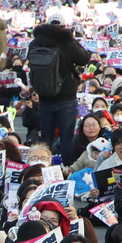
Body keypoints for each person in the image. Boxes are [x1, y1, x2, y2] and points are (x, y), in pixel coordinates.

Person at [29, 11, 91, 152]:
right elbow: (84, 58)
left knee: (46, 138)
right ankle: (66, 169)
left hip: (44, 95)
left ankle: (43, 167)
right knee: (66, 138)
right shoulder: (67, 42)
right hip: (66, 96)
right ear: (64, 26)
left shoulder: (35, 43)